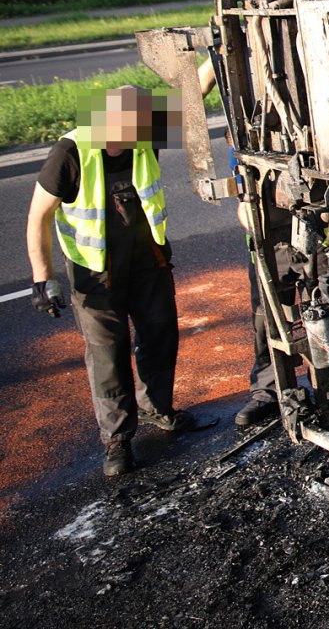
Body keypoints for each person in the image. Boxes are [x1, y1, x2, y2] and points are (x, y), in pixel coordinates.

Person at [24, 84, 199, 477]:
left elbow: (192, 96)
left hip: (147, 261)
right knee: (107, 352)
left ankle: (158, 409)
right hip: (95, 272)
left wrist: (213, 50)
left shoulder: (142, 138)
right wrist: (42, 279)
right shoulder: (71, 151)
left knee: (159, 335)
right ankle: (117, 439)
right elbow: (39, 216)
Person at [194, 59, 279, 428]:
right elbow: (184, 99)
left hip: (319, 220)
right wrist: (218, 54)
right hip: (263, 224)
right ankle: (268, 390)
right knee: (267, 313)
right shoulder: (239, 59)